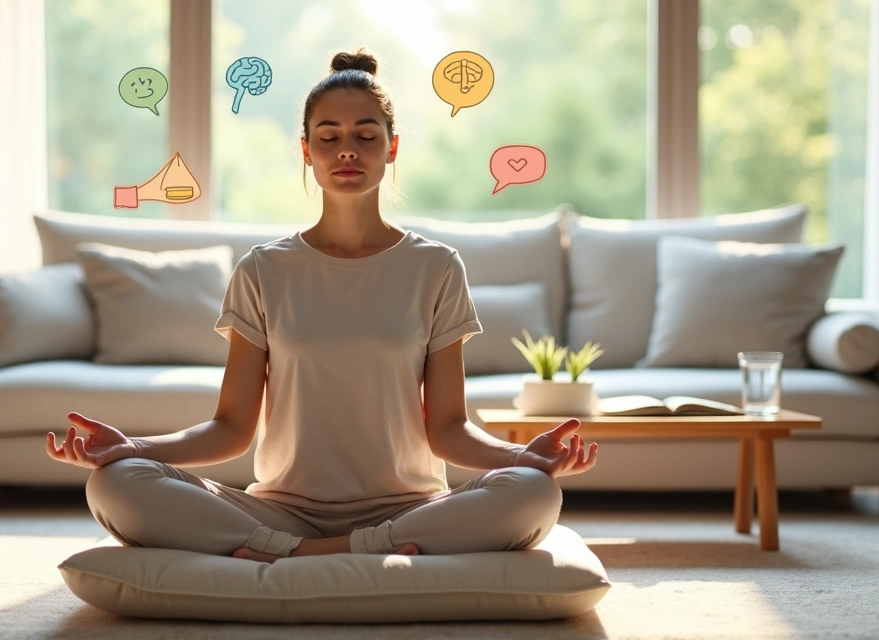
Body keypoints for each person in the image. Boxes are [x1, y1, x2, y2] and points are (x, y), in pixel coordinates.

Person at [46, 48, 599, 563]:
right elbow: (232, 428)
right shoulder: (263, 270)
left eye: (365, 134)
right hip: (281, 510)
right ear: (305, 150)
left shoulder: (436, 268)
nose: (347, 150)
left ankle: (298, 555)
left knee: (533, 493)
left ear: (392, 146)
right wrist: (133, 447)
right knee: (116, 483)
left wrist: (523, 459)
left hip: (410, 509)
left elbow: (449, 428)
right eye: (328, 136)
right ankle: (336, 549)